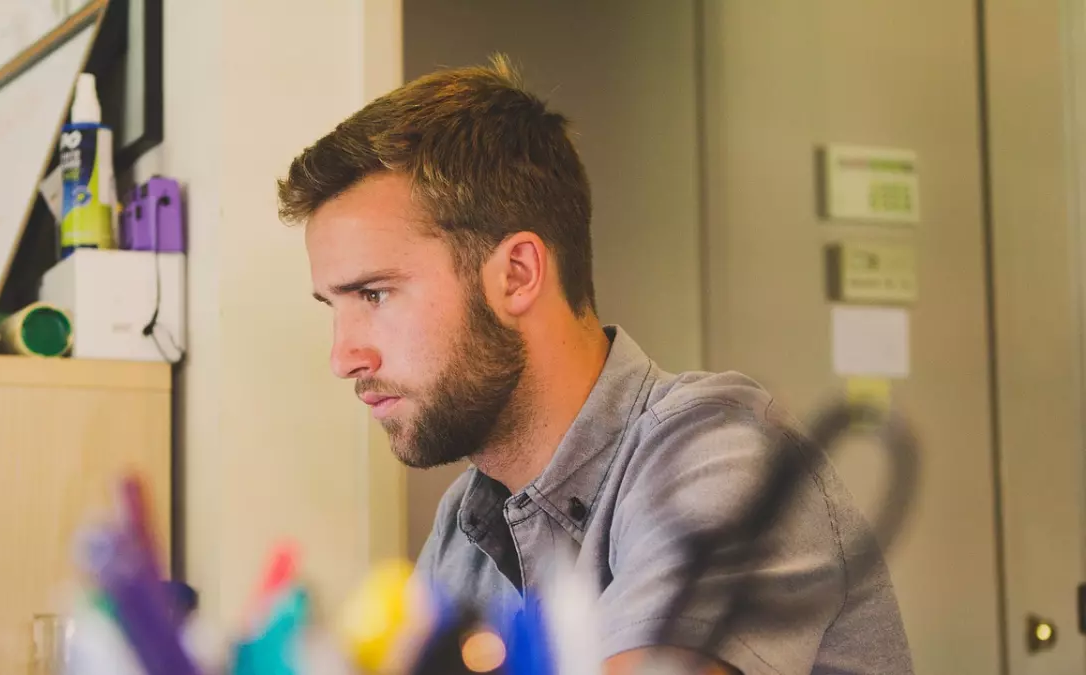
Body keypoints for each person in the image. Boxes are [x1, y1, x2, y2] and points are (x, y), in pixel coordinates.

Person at [278, 55, 914, 675]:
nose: (344, 356)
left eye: (374, 295)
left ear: (517, 274)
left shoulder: (723, 452)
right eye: (333, 306)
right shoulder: (464, 525)